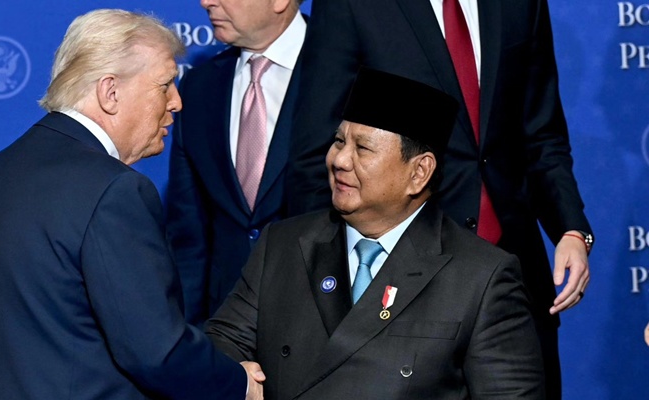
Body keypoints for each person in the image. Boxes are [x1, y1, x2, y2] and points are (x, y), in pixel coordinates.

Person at [0, 9, 263, 400]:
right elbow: (157, 353)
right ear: (110, 92)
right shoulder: (115, 190)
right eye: (165, 85)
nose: (177, 102)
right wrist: (238, 383)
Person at [284, 1, 592, 397]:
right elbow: (316, 151)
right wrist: (324, 286)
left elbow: (541, 134)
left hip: (514, 276)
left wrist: (571, 229)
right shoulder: (352, 6)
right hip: (397, 282)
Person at [207, 68, 545, 399]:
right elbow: (223, 343)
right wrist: (239, 377)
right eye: (339, 141)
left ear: (419, 172)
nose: (340, 160)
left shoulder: (480, 278)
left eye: (363, 148)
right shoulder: (283, 245)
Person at [165, 0, 306, 326]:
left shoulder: (344, 73)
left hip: (320, 325)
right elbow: (189, 234)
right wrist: (189, 337)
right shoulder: (199, 87)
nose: (206, 2)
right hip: (223, 327)